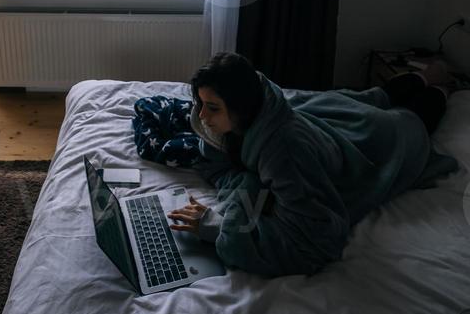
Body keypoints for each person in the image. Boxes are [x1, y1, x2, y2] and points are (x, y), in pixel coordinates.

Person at [166, 52, 459, 278]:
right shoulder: (241, 119)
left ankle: (443, 89)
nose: (202, 116)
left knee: (410, 121)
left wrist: (221, 229)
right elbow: (222, 166)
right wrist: (250, 188)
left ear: (241, 107)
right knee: (375, 97)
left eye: (212, 107)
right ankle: (421, 77)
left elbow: (313, 242)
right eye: (200, 103)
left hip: (379, 140)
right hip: (331, 120)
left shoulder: (285, 154)